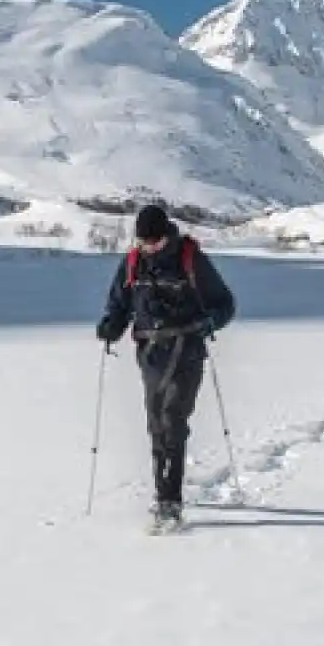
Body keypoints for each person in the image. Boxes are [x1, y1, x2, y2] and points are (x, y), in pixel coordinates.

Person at [96, 203, 236, 531]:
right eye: (144, 242)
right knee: (156, 423)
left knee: (173, 420)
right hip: (150, 355)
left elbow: (226, 304)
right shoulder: (133, 262)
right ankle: (164, 487)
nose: (150, 248)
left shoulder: (190, 259)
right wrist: (111, 325)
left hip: (186, 350)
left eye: (155, 242)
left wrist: (209, 322)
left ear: (165, 235)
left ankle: (169, 502)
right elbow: (120, 302)